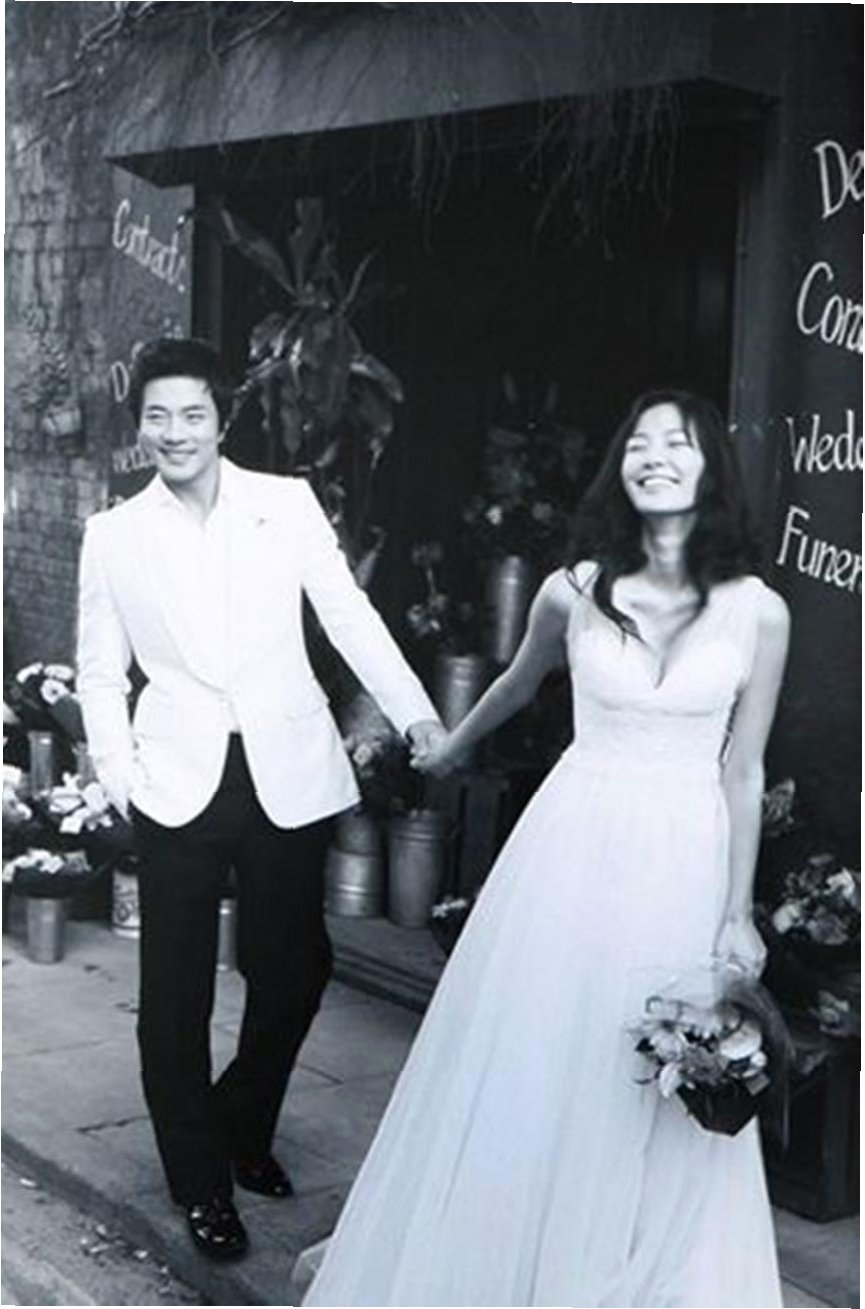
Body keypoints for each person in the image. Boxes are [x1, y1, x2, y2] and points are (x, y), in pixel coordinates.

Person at [303, 389, 790, 1307]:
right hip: (573, 842)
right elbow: (516, 685)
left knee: (659, 1064)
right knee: (545, 1045)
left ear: (710, 471)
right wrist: (449, 746)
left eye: (676, 443)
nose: (654, 456)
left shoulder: (757, 612)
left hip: (684, 849)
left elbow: (744, 769)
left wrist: (736, 912)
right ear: (620, 467)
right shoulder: (573, 590)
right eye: (638, 443)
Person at [76, 337, 444, 1260]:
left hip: (287, 769)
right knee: (174, 995)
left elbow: (348, 615)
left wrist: (415, 714)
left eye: (191, 413)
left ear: (221, 418)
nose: (175, 432)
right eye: (157, 416)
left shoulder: (285, 504)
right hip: (175, 783)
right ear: (141, 425)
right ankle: (199, 1179)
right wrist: (121, 775)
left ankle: (241, 1118)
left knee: (294, 969)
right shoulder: (114, 534)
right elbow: (98, 670)